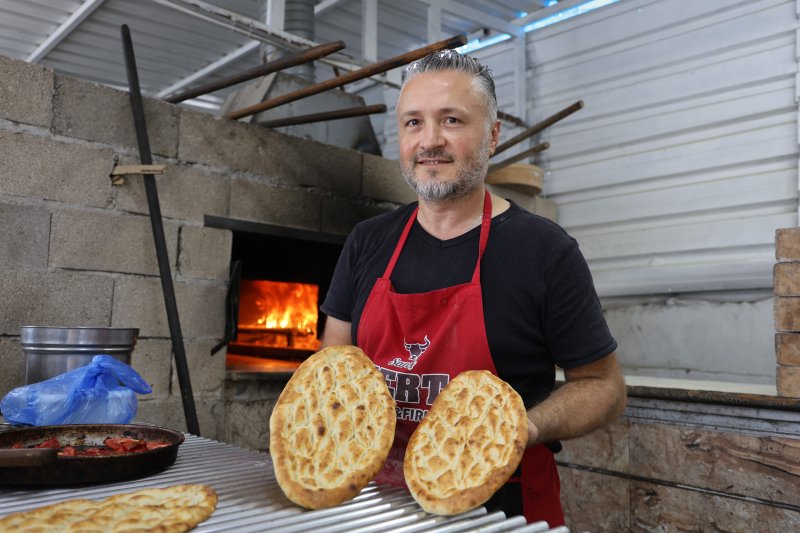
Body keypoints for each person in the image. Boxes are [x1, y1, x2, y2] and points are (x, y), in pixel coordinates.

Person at [320, 49, 626, 526]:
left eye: (452, 120)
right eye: (413, 123)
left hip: (500, 507)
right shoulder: (367, 241)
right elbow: (331, 371)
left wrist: (525, 426)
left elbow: (604, 386)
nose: (431, 141)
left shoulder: (543, 249)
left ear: (493, 135)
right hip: (373, 505)